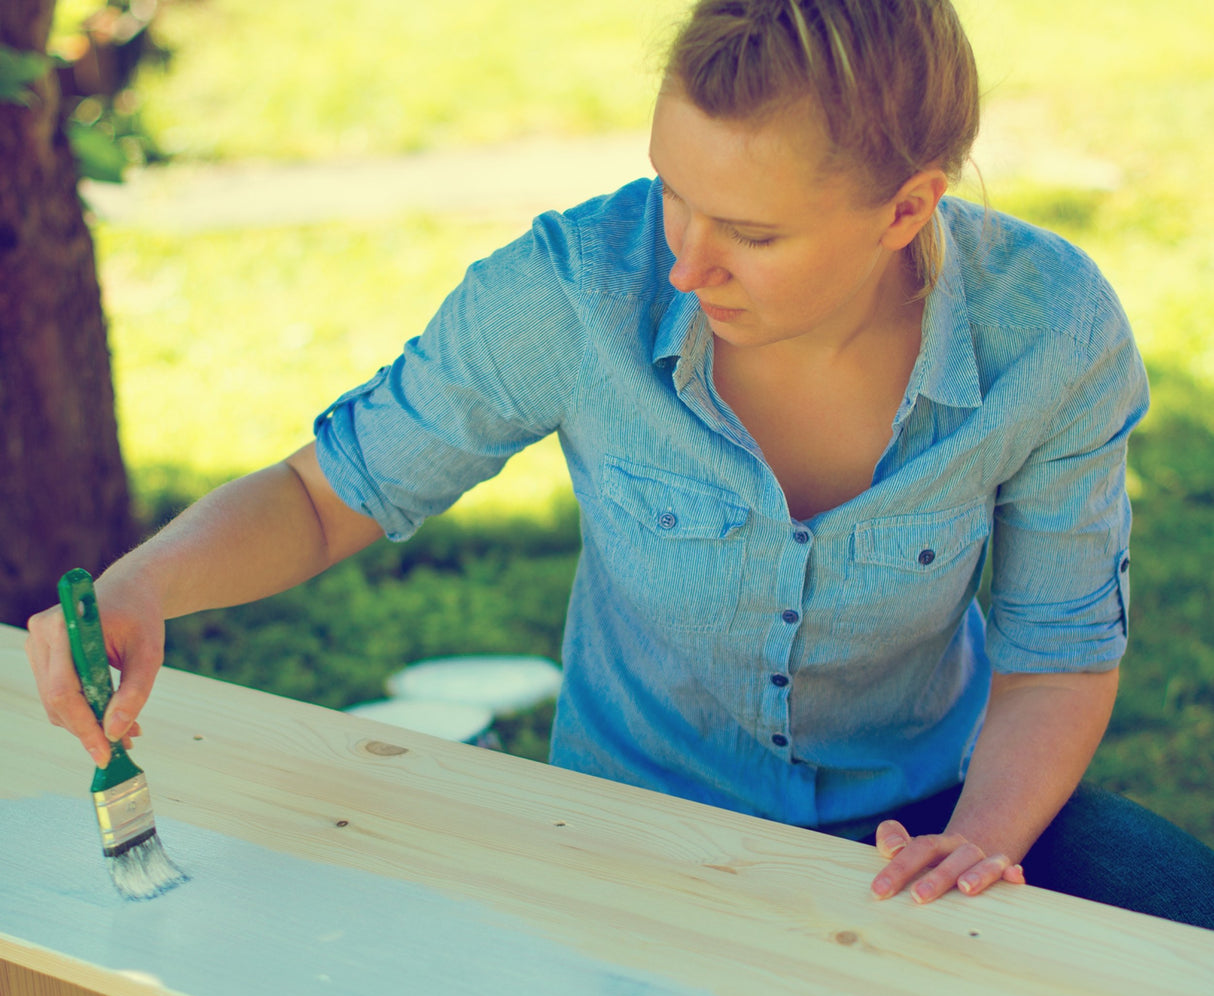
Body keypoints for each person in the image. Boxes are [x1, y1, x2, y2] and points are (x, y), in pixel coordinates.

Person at [25, 0, 1214, 929]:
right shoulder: (571, 290)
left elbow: (1057, 647)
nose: (687, 263)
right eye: (671, 194)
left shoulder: (1049, 331)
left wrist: (981, 839)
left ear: (907, 211)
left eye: (750, 234)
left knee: (1170, 910)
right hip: (624, 830)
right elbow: (321, 493)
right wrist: (149, 580)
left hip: (919, 822)